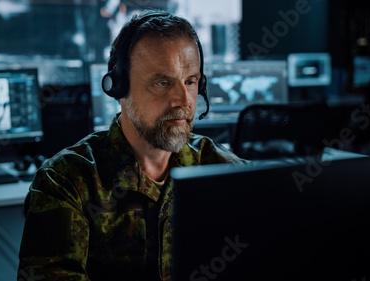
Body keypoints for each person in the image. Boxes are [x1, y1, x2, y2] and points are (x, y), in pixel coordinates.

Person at [18, 10, 249, 281]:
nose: (183, 100)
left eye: (191, 82)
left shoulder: (226, 172)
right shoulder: (65, 182)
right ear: (119, 89)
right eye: (162, 82)